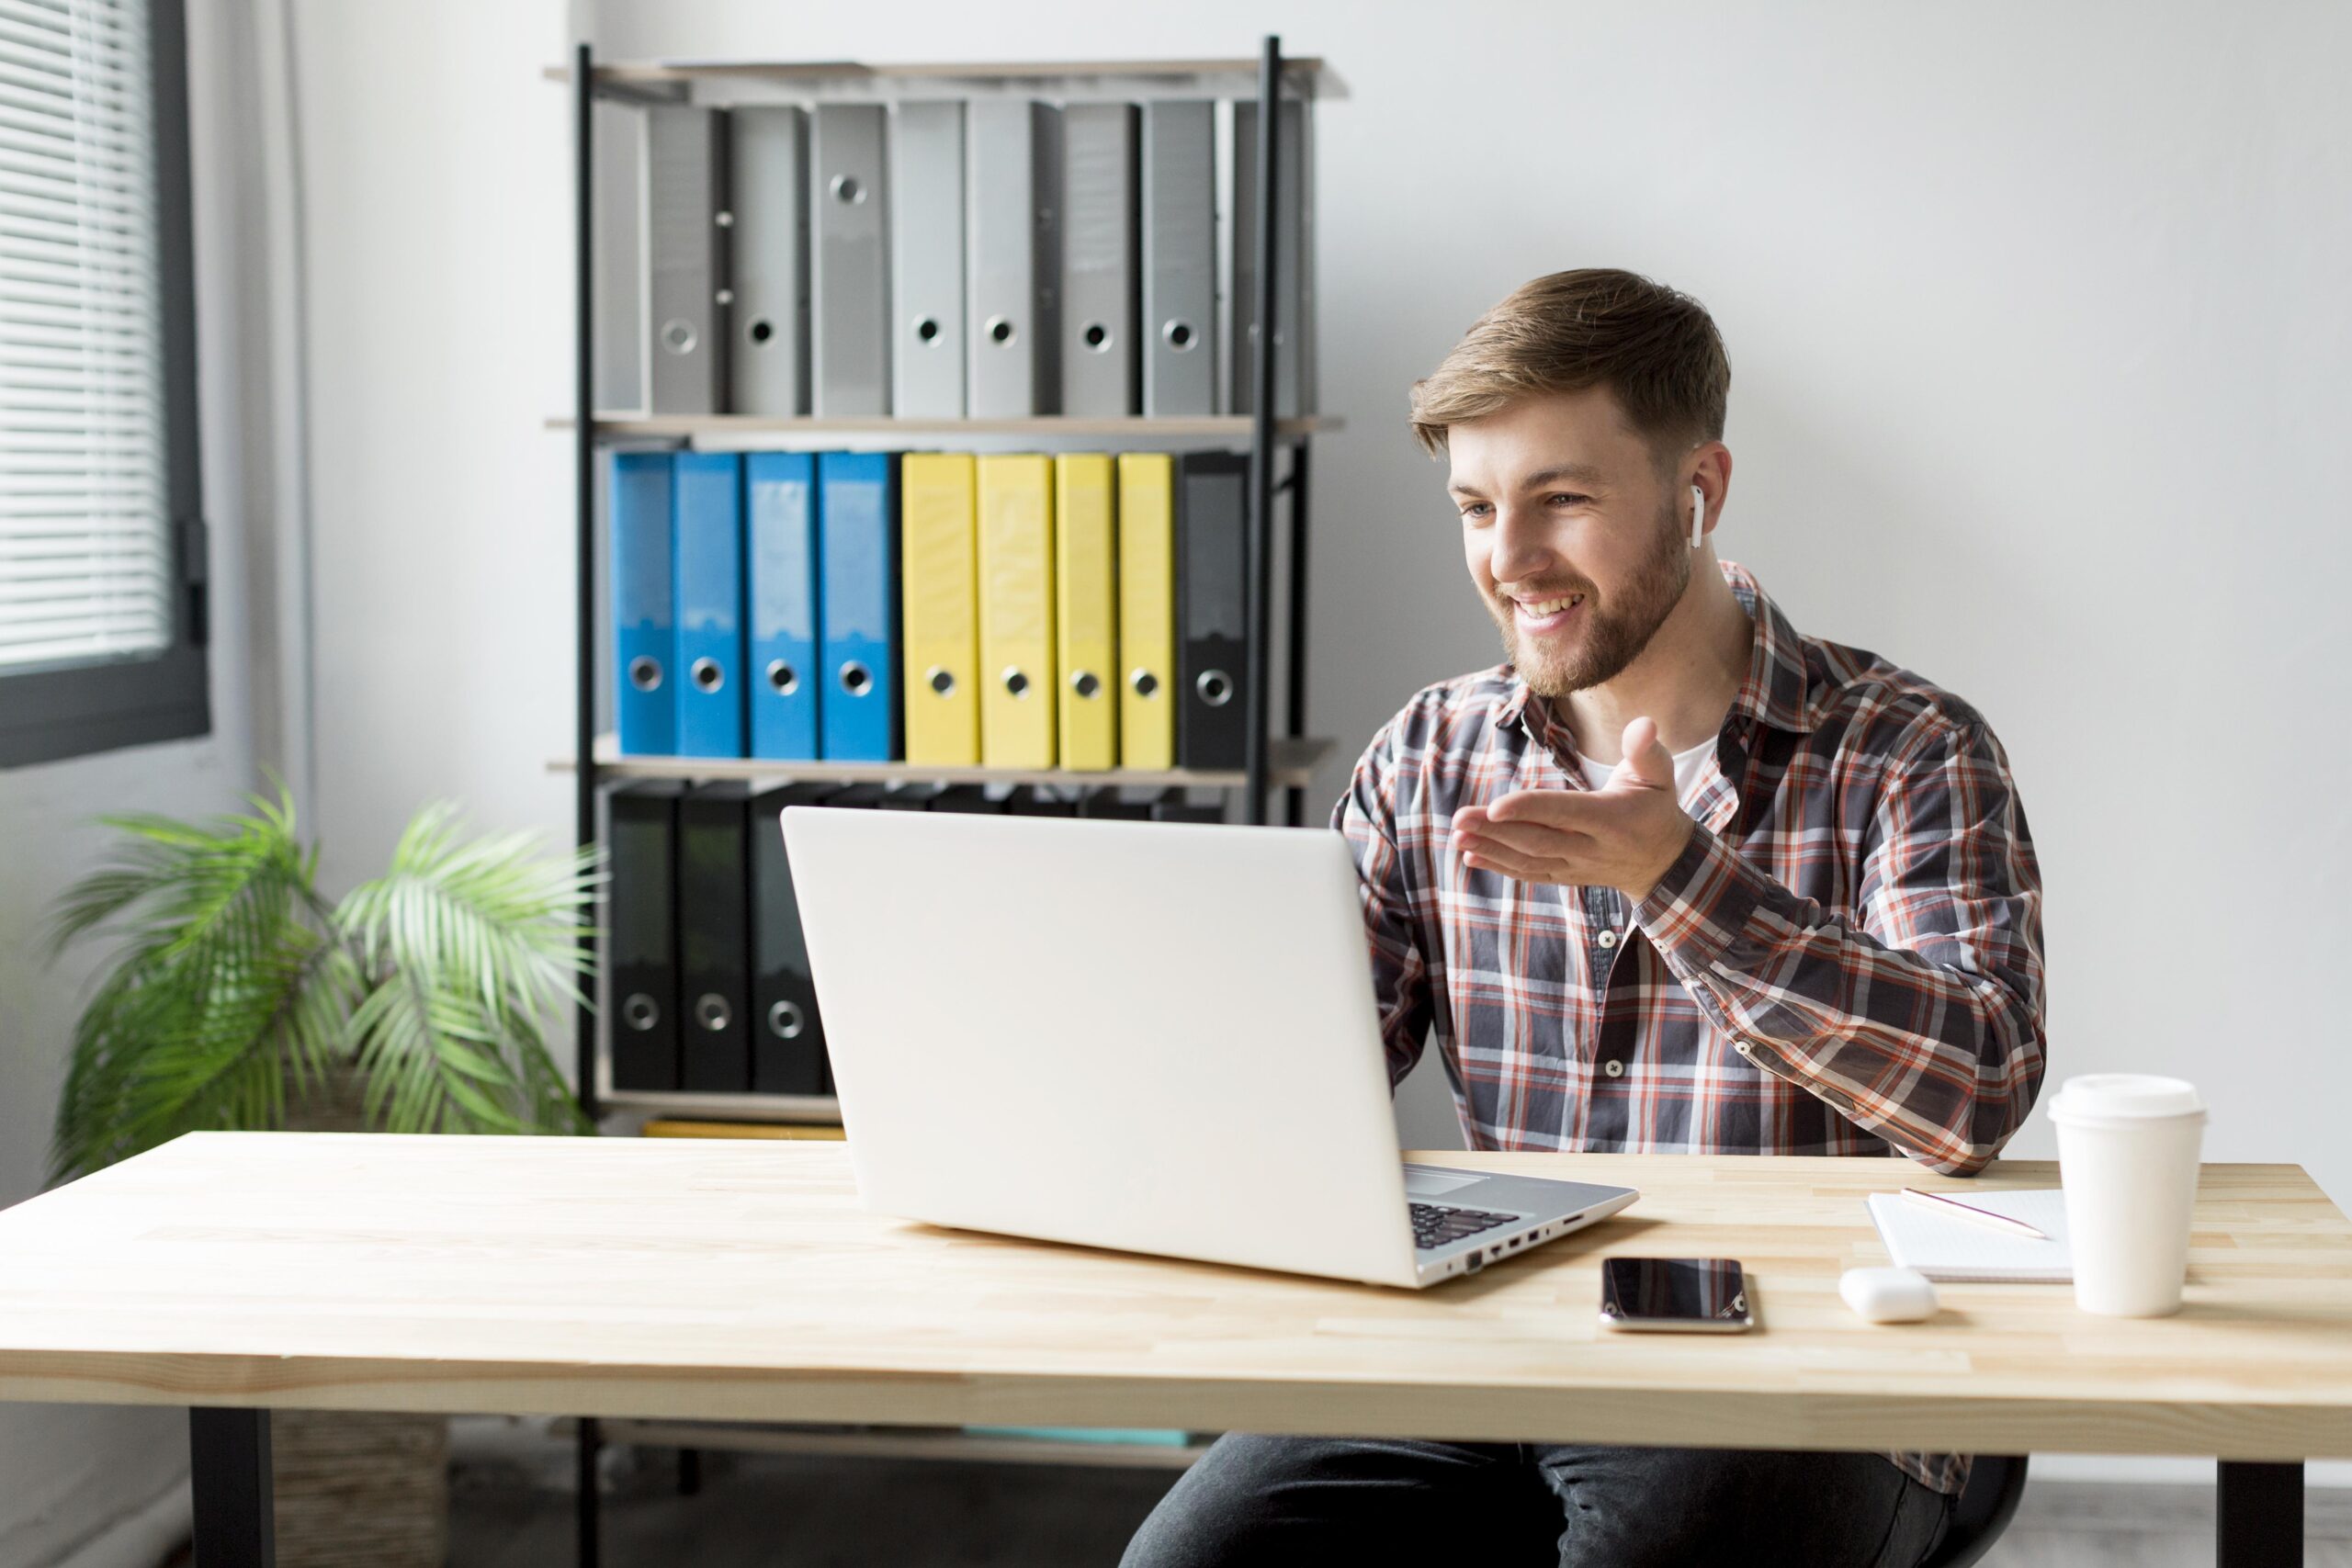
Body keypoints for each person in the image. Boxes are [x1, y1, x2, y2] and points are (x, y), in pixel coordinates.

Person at [1122, 269, 2047, 1567]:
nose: (1509, 560)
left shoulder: (1906, 750)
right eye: (1477, 507)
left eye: (1561, 499)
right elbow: (1301, 1080)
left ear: (1698, 492)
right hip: (1495, 1351)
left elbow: (1975, 1092)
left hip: (1814, 1368)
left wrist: (1682, 878)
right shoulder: (1429, 756)